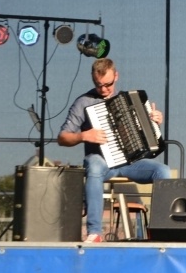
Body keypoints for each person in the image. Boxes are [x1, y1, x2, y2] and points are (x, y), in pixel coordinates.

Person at [58, 57, 171, 243]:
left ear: (116, 76)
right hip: (102, 162)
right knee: (94, 166)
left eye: (108, 84)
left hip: (130, 162)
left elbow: (145, 134)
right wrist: (83, 135)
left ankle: (160, 229)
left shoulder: (129, 100)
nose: (103, 89)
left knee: (163, 171)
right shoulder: (84, 102)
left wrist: (155, 122)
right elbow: (63, 137)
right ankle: (95, 232)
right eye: (98, 85)